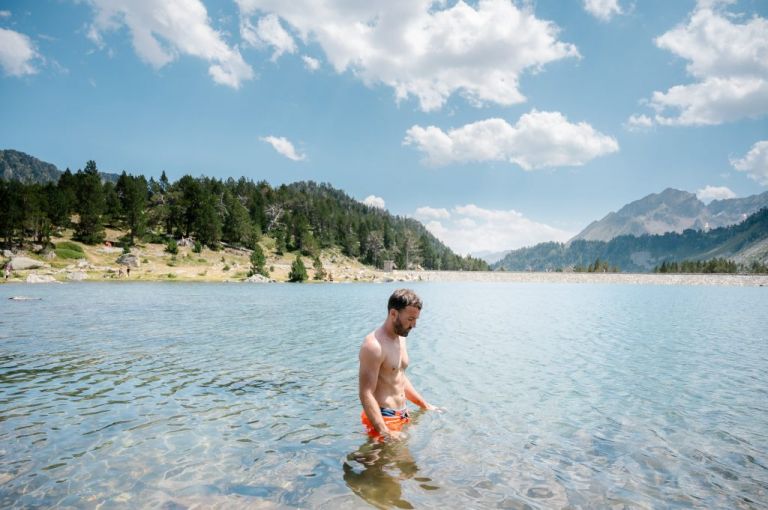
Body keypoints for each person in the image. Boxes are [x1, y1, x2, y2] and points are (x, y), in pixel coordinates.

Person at [358, 288, 437, 440]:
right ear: (393, 314)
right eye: (410, 319)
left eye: (416, 319)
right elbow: (365, 393)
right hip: (383, 418)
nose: (414, 325)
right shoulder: (373, 346)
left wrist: (425, 405)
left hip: (402, 414)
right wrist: (384, 431)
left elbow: (398, 376)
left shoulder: (401, 338)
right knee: (400, 456)